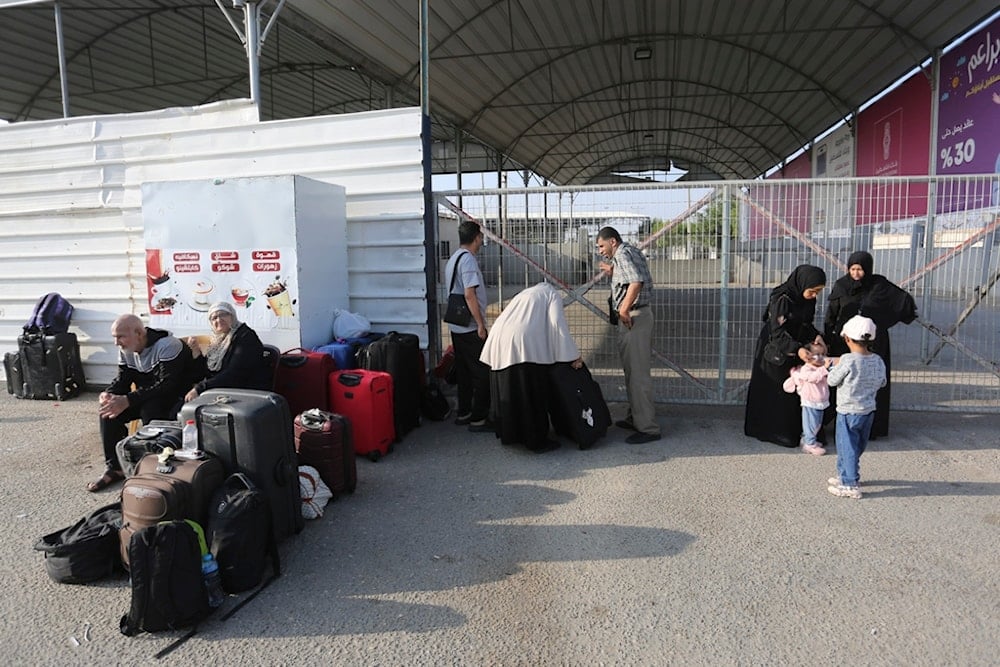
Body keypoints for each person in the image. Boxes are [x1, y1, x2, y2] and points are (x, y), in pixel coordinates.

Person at [88, 314, 192, 492]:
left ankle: (152, 467)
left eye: (120, 336)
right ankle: (115, 467)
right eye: (114, 337)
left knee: (150, 409)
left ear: (138, 333)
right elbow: (123, 380)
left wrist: (128, 400)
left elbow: (168, 386)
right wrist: (109, 394)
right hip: (147, 395)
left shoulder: (168, 345)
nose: (116, 343)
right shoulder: (127, 349)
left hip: (175, 398)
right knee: (108, 411)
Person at [479, 282, 583, 452]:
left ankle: (511, 435)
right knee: (529, 390)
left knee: (508, 388)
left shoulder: (525, 293)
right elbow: (557, 324)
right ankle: (535, 440)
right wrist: (573, 354)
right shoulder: (552, 294)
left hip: (500, 336)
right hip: (523, 341)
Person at [824, 250, 916, 439]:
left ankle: (872, 427)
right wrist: (829, 336)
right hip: (845, 342)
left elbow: (903, 301)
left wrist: (882, 321)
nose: (856, 273)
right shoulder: (842, 286)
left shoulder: (878, 285)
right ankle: (840, 424)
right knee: (844, 383)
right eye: (853, 269)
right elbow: (832, 314)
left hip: (873, 343)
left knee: (870, 383)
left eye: (860, 269)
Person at [744, 265, 828, 448]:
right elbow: (777, 332)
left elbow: (805, 323)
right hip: (776, 349)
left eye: (818, 292)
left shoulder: (808, 299)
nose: (815, 296)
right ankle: (773, 431)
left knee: (795, 391)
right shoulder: (782, 299)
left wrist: (816, 336)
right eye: (812, 291)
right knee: (775, 392)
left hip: (795, 346)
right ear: (801, 284)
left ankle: (802, 431)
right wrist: (798, 349)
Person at [596, 226, 660, 444]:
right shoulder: (630, 252)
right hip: (637, 317)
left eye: (601, 245)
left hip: (633, 317)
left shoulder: (622, 253)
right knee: (633, 371)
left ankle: (648, 428)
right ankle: (637, 418)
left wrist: (623, 309)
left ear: (613, 241)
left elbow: (636, 282)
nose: (600, 250)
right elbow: (633, 277)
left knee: (638, 375)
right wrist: (613, 273)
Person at [826, 315, 887, 499]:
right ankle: (846, 474)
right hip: (868, 410)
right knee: (856, 445)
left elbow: (832, 380)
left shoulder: (847, 359)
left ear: (847, 339)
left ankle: (849, 484)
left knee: (846, 446)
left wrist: (831, 368)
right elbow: (882, 382)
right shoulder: (877, 360)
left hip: (847, 411)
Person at [444, 219, 492, 432]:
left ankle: (464, 413)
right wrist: (480, 324)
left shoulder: (454, 258)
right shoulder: (468, 261)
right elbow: (469, 294)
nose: (481, 240)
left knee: (464, 372)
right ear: (476, 237)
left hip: (457, 326)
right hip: (470, 326)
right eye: (480, 236)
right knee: (483, 372)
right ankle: (479, 419)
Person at [183, 301, 271, 403]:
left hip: (244, 394)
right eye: (214, 318)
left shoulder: (245, 336)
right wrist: (196, 351)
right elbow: (206, 373)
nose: (219, 320)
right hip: (222, 391)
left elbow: (234, 374)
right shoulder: (217, 341)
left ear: (232, 316)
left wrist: (200, 389)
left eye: (223, 314)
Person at [782, 342, 830, 456]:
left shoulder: (819, 368)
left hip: (819, 400)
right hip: (810, 400)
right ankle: (810, 444)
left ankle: (807, 439)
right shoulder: (806, 369)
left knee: (817, 422)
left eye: (823, 354)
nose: (821, 357)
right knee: (812, 423)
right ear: (807, 355)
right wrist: (824, 369)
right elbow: (812, 378)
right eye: (817, 354)